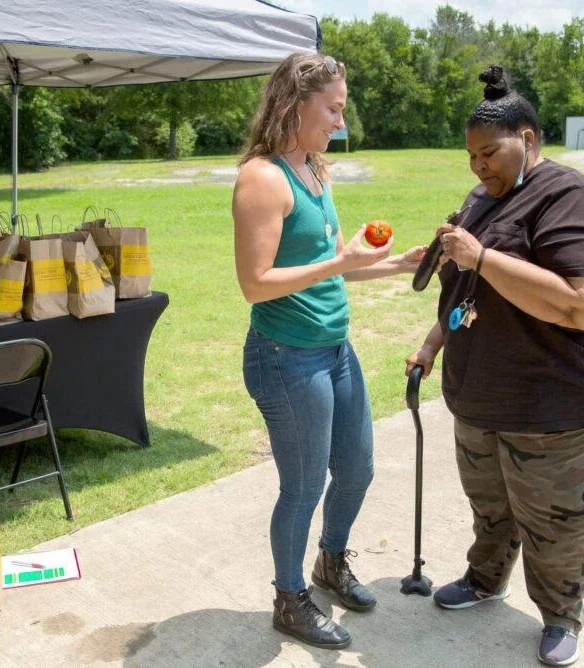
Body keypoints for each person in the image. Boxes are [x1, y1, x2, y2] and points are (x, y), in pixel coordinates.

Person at [406, 65, 584, 666]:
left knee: (555, 521)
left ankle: (561, 614)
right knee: (492, 506)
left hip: (555, 403)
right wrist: (432, 344)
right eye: (472, 156)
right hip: (480, 397)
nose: (480, 167)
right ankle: (485, 580)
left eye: (490, 153)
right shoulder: (481, 199)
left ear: (527, 140)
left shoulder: (569, 196)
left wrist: (482, 257)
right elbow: (464, 291)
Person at [232, 52, 425, 650]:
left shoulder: (316, 169)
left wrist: (395, 264)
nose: (340, 123)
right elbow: (255, 283)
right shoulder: (262, 179)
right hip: (285, 357)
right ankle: (289, 598)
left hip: (334, 350)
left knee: (359, 468)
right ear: (295, 104)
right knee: (304, 484)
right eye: (333, 109)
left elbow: (330, 269)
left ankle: (330, 563)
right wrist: (341, 261)